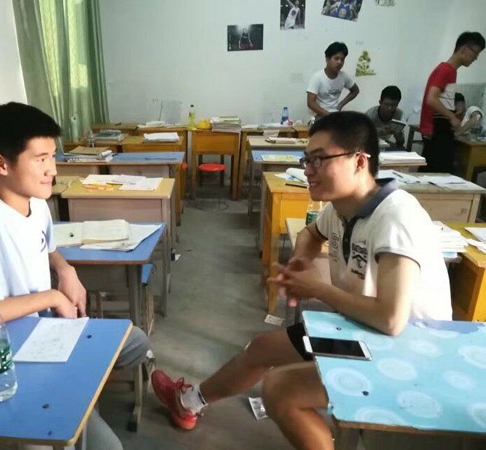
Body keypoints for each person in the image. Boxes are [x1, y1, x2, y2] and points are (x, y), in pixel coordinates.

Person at [150, 112, 452, 450]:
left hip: (406, 356)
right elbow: (311, 234)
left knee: (280, 389)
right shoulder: (340, 208)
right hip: (360, 331)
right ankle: (188, 403)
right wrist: (301, 262)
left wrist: (318, 288)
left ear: (359, 161)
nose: (308, 169)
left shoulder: (397, 216)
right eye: (307, 160)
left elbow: (391, 319)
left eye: (319, 160)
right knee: (262, 348)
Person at [0, 102, 149, 450]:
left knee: (136, 343)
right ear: (1, 164)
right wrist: (52, 297)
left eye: (53, 156)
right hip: (6, 351)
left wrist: (65, 269)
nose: (52, 169)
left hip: (46, 331)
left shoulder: (36, 203)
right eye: (40, 159)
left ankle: (74, 384)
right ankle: (64, 393)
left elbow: (47, 246)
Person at [419, 31, 485, 173]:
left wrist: (454, 110)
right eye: (475, 53)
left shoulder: (450, 71)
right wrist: (452, 117)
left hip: (438, 132)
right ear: (464, 49)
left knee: (433, 174)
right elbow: (431, 98)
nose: (475, 58)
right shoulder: (446, 70)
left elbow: (439, 100)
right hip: (436, 133)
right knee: (441, 176)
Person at [307, 42, 359, 118]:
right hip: (319, 115)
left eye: (342, 59)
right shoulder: (317, 77)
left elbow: (355, 90)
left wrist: (340, 105)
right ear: (327, 59)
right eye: (336, 58)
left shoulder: (343, 76)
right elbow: (310, 103)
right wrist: (328, 115)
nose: (339, 62)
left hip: (335, 114)